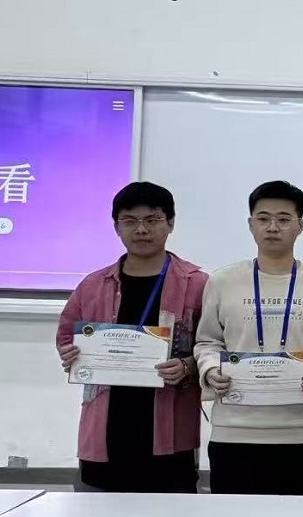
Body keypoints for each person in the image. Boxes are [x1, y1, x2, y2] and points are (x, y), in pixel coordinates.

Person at [195, 180, 303, 495]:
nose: (272, 227)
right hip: (234, 432)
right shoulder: (221, 282)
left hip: (302, 432)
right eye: (263, 218)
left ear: (300, 226)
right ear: (250, 224)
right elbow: (207, 342)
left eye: (283, 219)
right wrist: (210, 370)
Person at [55, 182, 206, 493]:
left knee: (171, 516)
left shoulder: (197, 284)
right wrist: (71, 353)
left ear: (170, 223)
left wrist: (188, 366)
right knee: (97, 514)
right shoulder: (93, 285)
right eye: (130, 221)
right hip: (105, 427)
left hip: (168, 429)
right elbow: (67, 335)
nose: (141, 230)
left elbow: (213, 345)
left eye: (152, 220)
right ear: (116, 227)